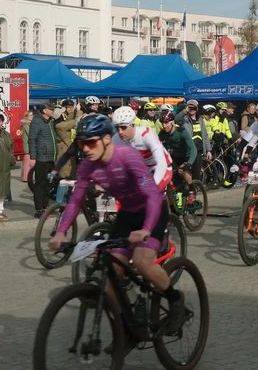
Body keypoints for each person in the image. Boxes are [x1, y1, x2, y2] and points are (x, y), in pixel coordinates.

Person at [48, 114, 187, 335]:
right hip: (127, 213)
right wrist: (61, 232)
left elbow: (152, 194)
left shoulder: (127, 156)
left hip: (151, 210)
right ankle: (126, 327)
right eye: (82, 143)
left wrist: (146, 230)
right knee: (112, 272)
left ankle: (175, 298)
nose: (85, 148)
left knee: (142, 261)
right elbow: (75, 201)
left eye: (90, 142)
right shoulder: (87, 166)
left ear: (106, 139)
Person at [112, 106, 172, 190]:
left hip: (161, 166)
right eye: (117, 128)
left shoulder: (146, 135)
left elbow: (161, 163)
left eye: (123, 127)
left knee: (150, 193)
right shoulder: (116, 139)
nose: (120, 132)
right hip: (142, 168)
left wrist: (153, 185)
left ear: (133, 125)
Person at [28, 102, 58, 217]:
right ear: (44, 110)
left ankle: (46, 206)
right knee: (40, 184)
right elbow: (32, 139)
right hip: (41, 157)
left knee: (49, 183)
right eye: (51, 109)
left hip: (51, 158)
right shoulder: (37, 121)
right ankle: (39, 209)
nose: (52, 111)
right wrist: (33, 157)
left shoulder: (50, 121)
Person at [19, 106, 35, 183]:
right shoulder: (26, 124)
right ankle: (26, 177)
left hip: (29, 146)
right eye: (30, 115)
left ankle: (26, 177)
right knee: (27, 163)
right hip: (28, 146)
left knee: (28, 162)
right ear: (26, 116)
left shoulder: (29, 124)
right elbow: (30, 134)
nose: (32, 116)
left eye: (32, 115)